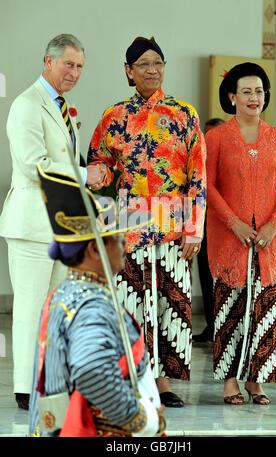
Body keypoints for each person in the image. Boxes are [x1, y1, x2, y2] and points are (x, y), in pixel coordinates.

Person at [87, 36, 207, 407]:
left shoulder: (183, 114)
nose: (153, 69)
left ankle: (163, 383)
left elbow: (198, 176)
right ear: (129, 71)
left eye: (158, 62)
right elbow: (100, 169)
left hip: (173, 225)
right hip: (130, 225)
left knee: (169, 306)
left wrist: (194, 228)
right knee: (129, 305)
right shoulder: (113, 116)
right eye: (144, 64)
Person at [0, 34, 102, 410]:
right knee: (30, 307)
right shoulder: (27, 104)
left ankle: (51, 379)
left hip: (61, 226)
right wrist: (84, 174)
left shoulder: (62, 106)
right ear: (48, 61)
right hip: (31, 225)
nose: (74, 72)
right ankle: (26, 388)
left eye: (79, 66)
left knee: (57, 308)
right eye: (68, 64)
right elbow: (33, 164)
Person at [29, 165, 165, 437]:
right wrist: (142, 419)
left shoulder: (66, 293)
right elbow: (92, 370)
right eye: (117, 239)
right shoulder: (92, 304)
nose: (125, 245)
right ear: (94, 249)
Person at [205, 62, 276, 404]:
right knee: (230, 311)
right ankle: (230, 382)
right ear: (231, 97)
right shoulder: (215, 138)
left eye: (259, 91)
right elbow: (208, 187)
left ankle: (256, 381)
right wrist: (234, 222)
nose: (253, 97)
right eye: (246, 91)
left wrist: (274, 224)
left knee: (265, 310)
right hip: (229, 238)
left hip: (268, 242)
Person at [193, 118, 224, 344]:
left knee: (222, 279)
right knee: (205, 275)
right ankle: (211, 325)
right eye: (207, 135)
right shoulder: (199, 160)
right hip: (203, 225)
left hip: (224, 227)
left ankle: (224, 326)